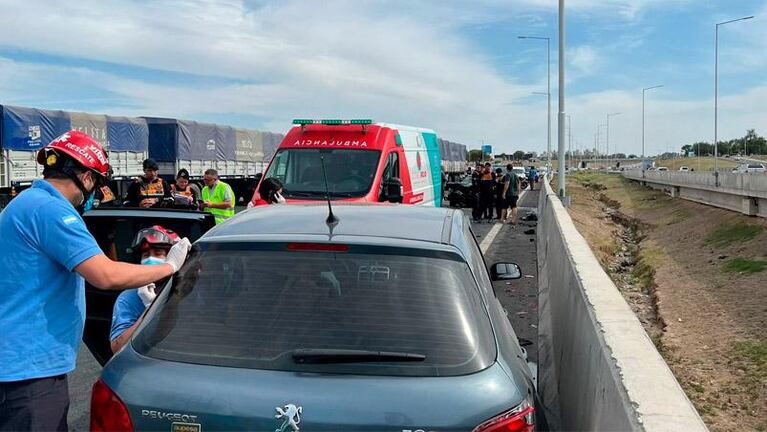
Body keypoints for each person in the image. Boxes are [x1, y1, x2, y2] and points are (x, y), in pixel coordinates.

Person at [0, 131, 192, 431]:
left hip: (18, 363)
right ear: (87, 177)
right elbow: (106, 275)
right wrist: (168, 267)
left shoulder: (27, 203)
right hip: (29, 373)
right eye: (99, 184)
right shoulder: (52, 210)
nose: (94, 194)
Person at [110, 226, 180, 353]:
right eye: (146, 255)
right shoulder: (129, 297)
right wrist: (150, 310)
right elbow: (117, 347)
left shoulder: (187, 288)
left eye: (158, 253)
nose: (150, 259)